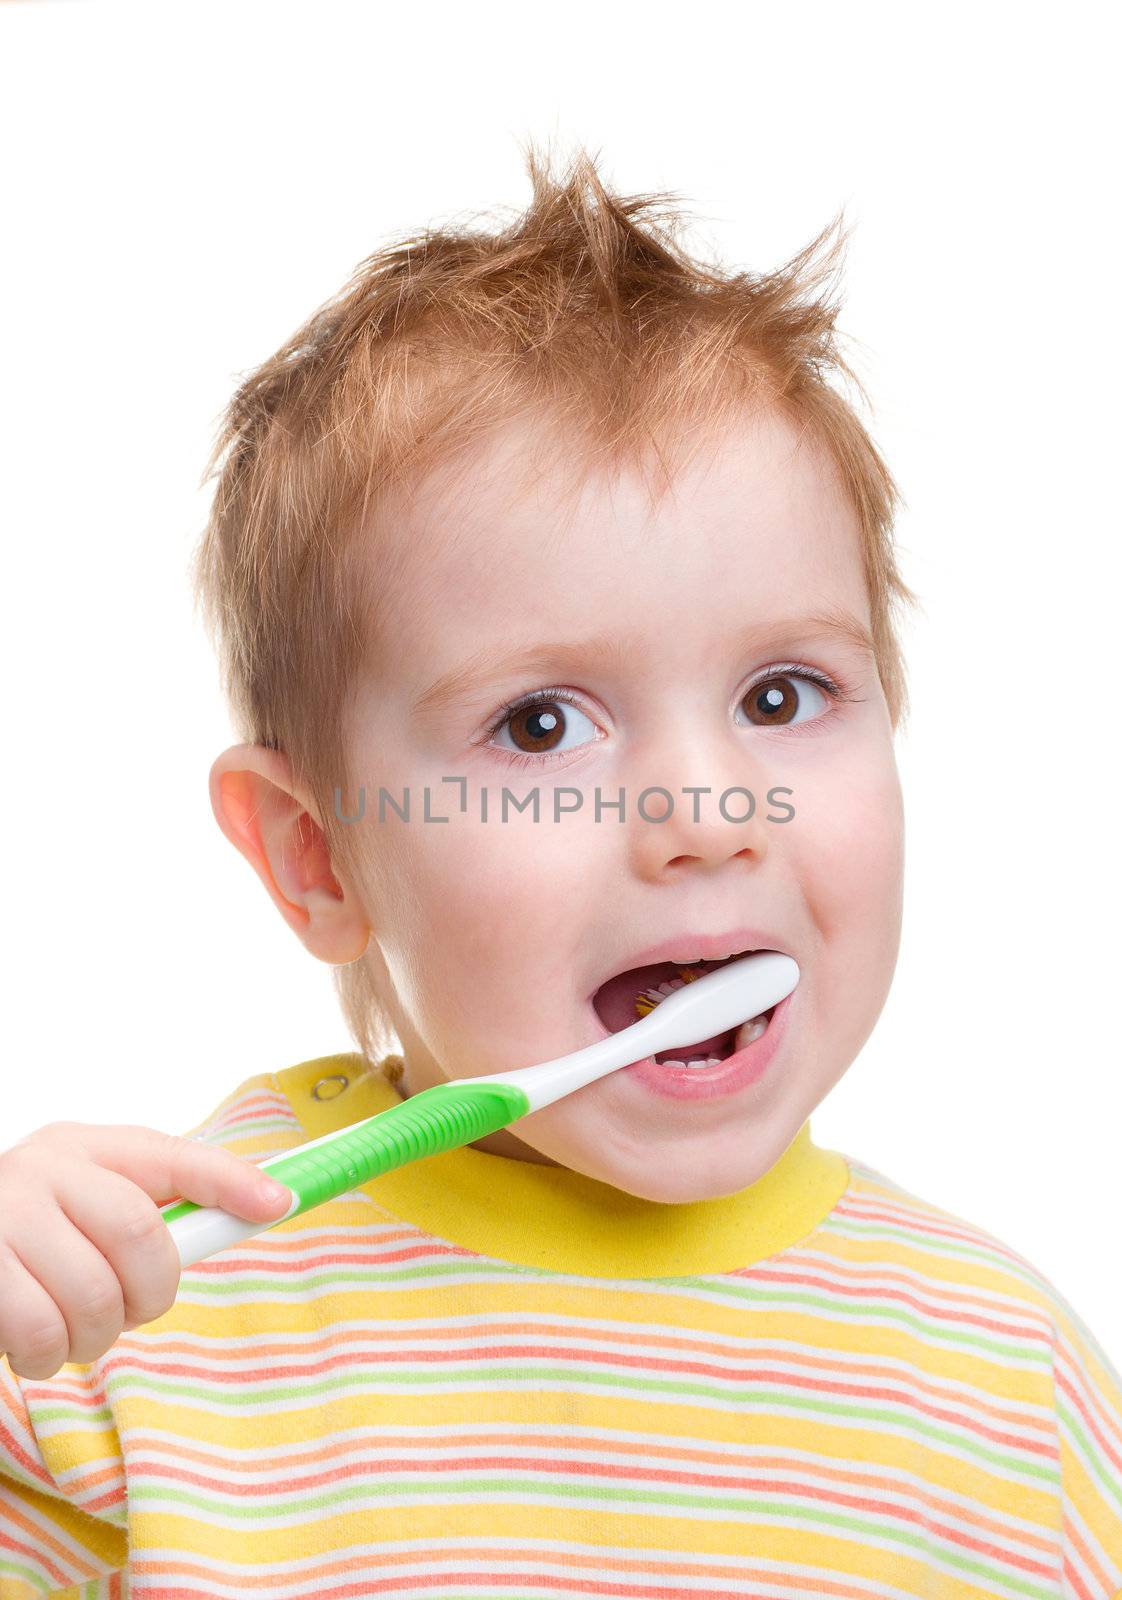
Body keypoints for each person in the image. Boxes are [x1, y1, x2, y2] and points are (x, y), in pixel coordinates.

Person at [3, 143, 1120, 1599]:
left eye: (781, 696)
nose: (706, 812)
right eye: (539, 725)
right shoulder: (131, 1324)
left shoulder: (1009, 1390)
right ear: (317, 858)